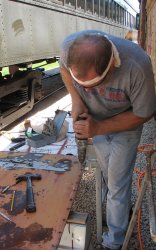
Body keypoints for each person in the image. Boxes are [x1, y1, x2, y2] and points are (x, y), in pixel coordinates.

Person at [59, 30, 156, 250]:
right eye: (81, 84)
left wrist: (99, 127)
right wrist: (77, 100)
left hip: (127, 122)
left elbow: (144, 114)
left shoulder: (137, 66)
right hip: (96, 120)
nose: (86, 91)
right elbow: (63, 68)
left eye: (92, 86)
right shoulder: (68, 47)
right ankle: (119, 211)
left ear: (113, 64)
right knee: (107, 173)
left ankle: (115, 241)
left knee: (117, 184)